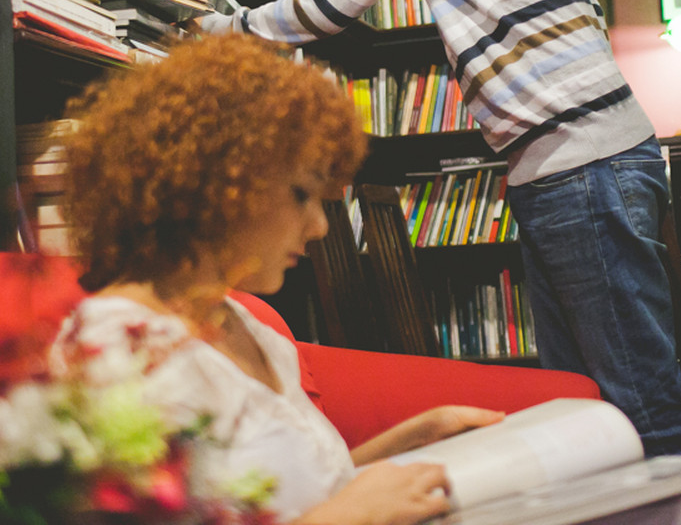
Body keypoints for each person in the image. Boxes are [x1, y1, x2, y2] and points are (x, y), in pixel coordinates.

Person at [192, 0, 681, 523]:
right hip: (572, 167)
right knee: (587, 407)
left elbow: (339, 1)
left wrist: (216, 30)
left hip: (581, 166)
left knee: (641, 407)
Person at [49, 33, 505, 525]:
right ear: (221, 179)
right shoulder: (117, 348)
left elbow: (283, 498)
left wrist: (413, 437)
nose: (320, 227)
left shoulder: (245, 323)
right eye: (302, 194)